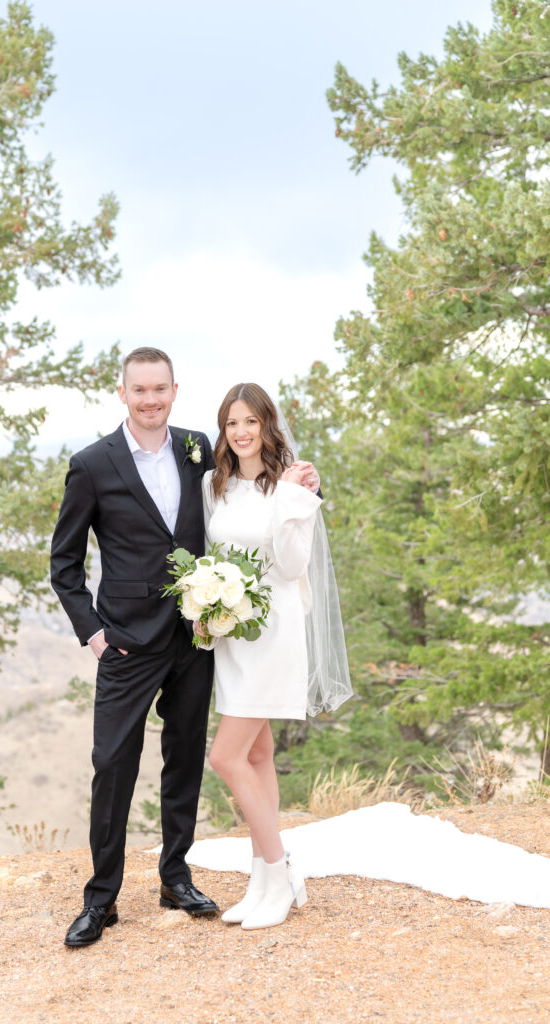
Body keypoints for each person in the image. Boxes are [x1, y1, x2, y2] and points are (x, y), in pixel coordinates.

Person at [50, 347, 219, 947]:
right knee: (112, 766)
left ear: (176, 389)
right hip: (125, 643)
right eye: (139, 390)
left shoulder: (199, 446)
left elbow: (254, 483)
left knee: (184, 759)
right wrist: (94, 636)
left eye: (160, 389)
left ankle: (175, 877)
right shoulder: (93, 463)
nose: (151, 400)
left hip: (195, 635)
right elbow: (64, 564)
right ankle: (102, 900)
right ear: (122, 393)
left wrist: (309, 483)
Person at [201, 382, 352, 930]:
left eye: (251, 423)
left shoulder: (291, 487)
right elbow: (210, 552)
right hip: (233, 636)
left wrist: (293, 499)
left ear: (268, 426)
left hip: (274, 633)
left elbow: (291, 568)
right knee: (257, 757)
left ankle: (280, 871)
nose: (241, 433)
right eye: (231, 424)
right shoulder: (212, 486)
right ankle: (264, 881)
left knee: (224, 758)